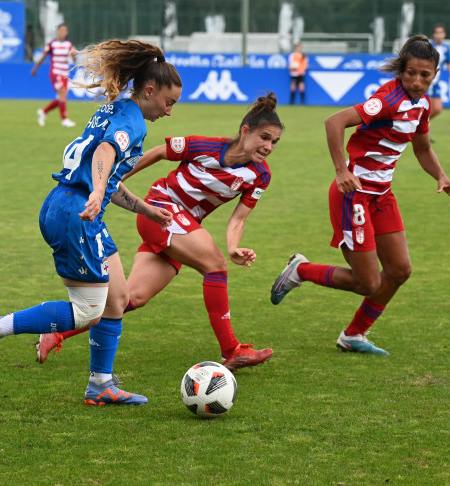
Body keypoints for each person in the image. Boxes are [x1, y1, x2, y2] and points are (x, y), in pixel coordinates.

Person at [0, 39, 182, 406]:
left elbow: (109, 178)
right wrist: (97, 192)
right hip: (75, 212)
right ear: (149, 90)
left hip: (74, 207)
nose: (169, 111)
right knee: (87, 311)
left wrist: (145, 209)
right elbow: (104, 152)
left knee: (117, 299)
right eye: (169, 102)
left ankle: (101, 385)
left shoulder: (116, 110)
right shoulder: (131, 122)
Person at [36, 93, 283, 371]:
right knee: (215, 266)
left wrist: (234, 246)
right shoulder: (205, 146)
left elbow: (238, 219)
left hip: (184, 227)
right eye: (264, 137)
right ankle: (232, 350)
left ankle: (56, 331)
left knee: (130, 298)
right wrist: (112, 180)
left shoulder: (261, 176)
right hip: (160, 210)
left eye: (274, 141)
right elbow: (157, 153)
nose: (269, 146)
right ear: (245, 131)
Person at [269, 35, 450, 356]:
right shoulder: (387, 99)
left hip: (382, 196)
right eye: (410, 72)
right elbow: (335, 121)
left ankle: (354, 334)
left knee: (400, 271)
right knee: (368, 283)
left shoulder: (423, 105)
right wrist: (342, 170)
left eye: (425, 75)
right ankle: (300, 271)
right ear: (401, 70)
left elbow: (423, 147)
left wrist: (441, 175)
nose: (416, 80)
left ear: (435, 74)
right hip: (354, 196)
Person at [31, 23, 76, 127]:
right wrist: (35, 68)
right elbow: (43, 56)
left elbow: (74, 58)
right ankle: (64, 120)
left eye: (65, 31)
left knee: (62, 96)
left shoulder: (69, 44)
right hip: (56, 72)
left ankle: (44, 111)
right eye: (61, 30)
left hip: (65, 73)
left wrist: (74, 57)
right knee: (63, 93)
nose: (63, 32)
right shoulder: (52, 44)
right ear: (57, 31)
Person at [428, 23, 450, 121]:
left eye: (441, 33)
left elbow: (449, 62)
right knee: (428, 109)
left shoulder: (446, 47)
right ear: (433, 34)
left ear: (444, 34)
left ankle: (421, 127)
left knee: (437, 109)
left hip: (436, 81)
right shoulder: (429, 46)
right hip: (428, 81)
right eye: (437, 33)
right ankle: (423, 133)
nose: (439, 35)